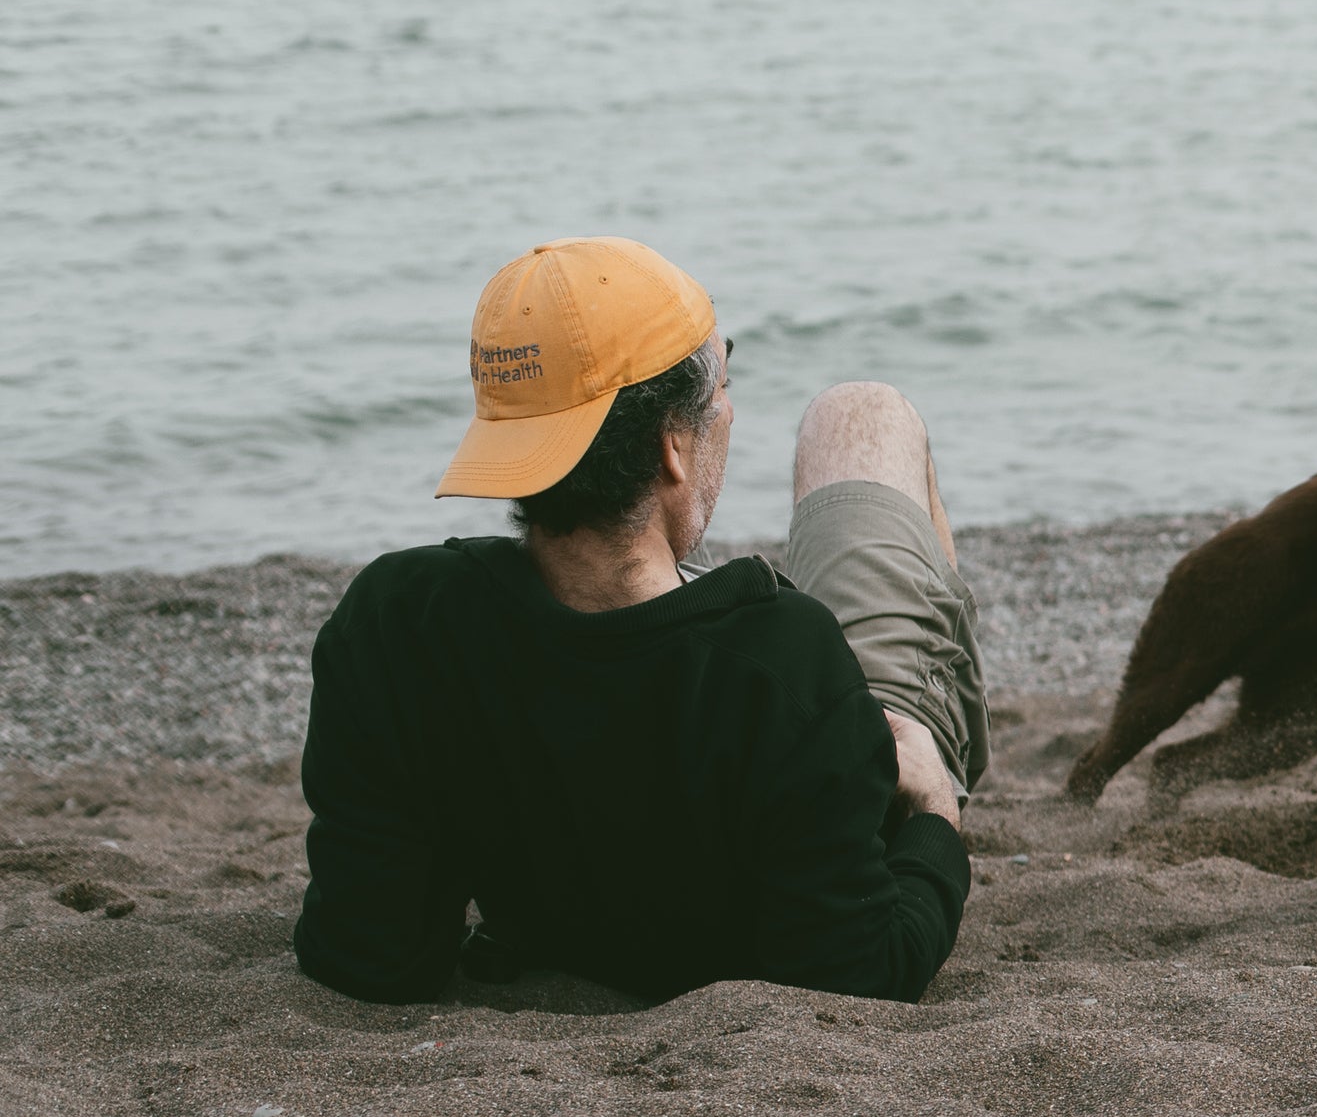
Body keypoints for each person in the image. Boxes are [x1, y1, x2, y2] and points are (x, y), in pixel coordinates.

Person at [293, 238, 989, 1005]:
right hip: (843, 756)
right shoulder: (782, 664)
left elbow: (366, 948)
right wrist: (931, 817)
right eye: (723, 381)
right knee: (861, 412)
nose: (729, 408)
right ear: (671, 443)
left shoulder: (399, 624)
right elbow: (866, 971)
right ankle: (944, 735)